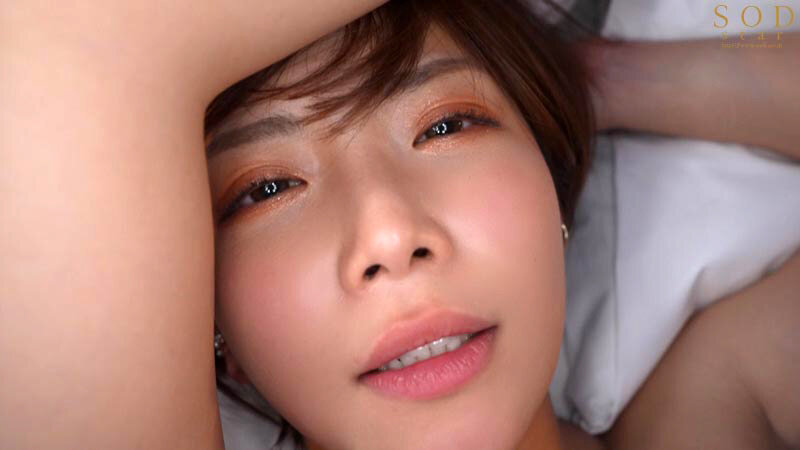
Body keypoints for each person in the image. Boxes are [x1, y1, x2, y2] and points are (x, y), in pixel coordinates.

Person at [2, 1, 797, 449]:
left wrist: (592, 81)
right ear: (209, 331)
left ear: (554, 192)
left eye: (446, 126)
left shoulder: (715, 399)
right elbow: (49, 39)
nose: (388, 235)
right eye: (268, 188)